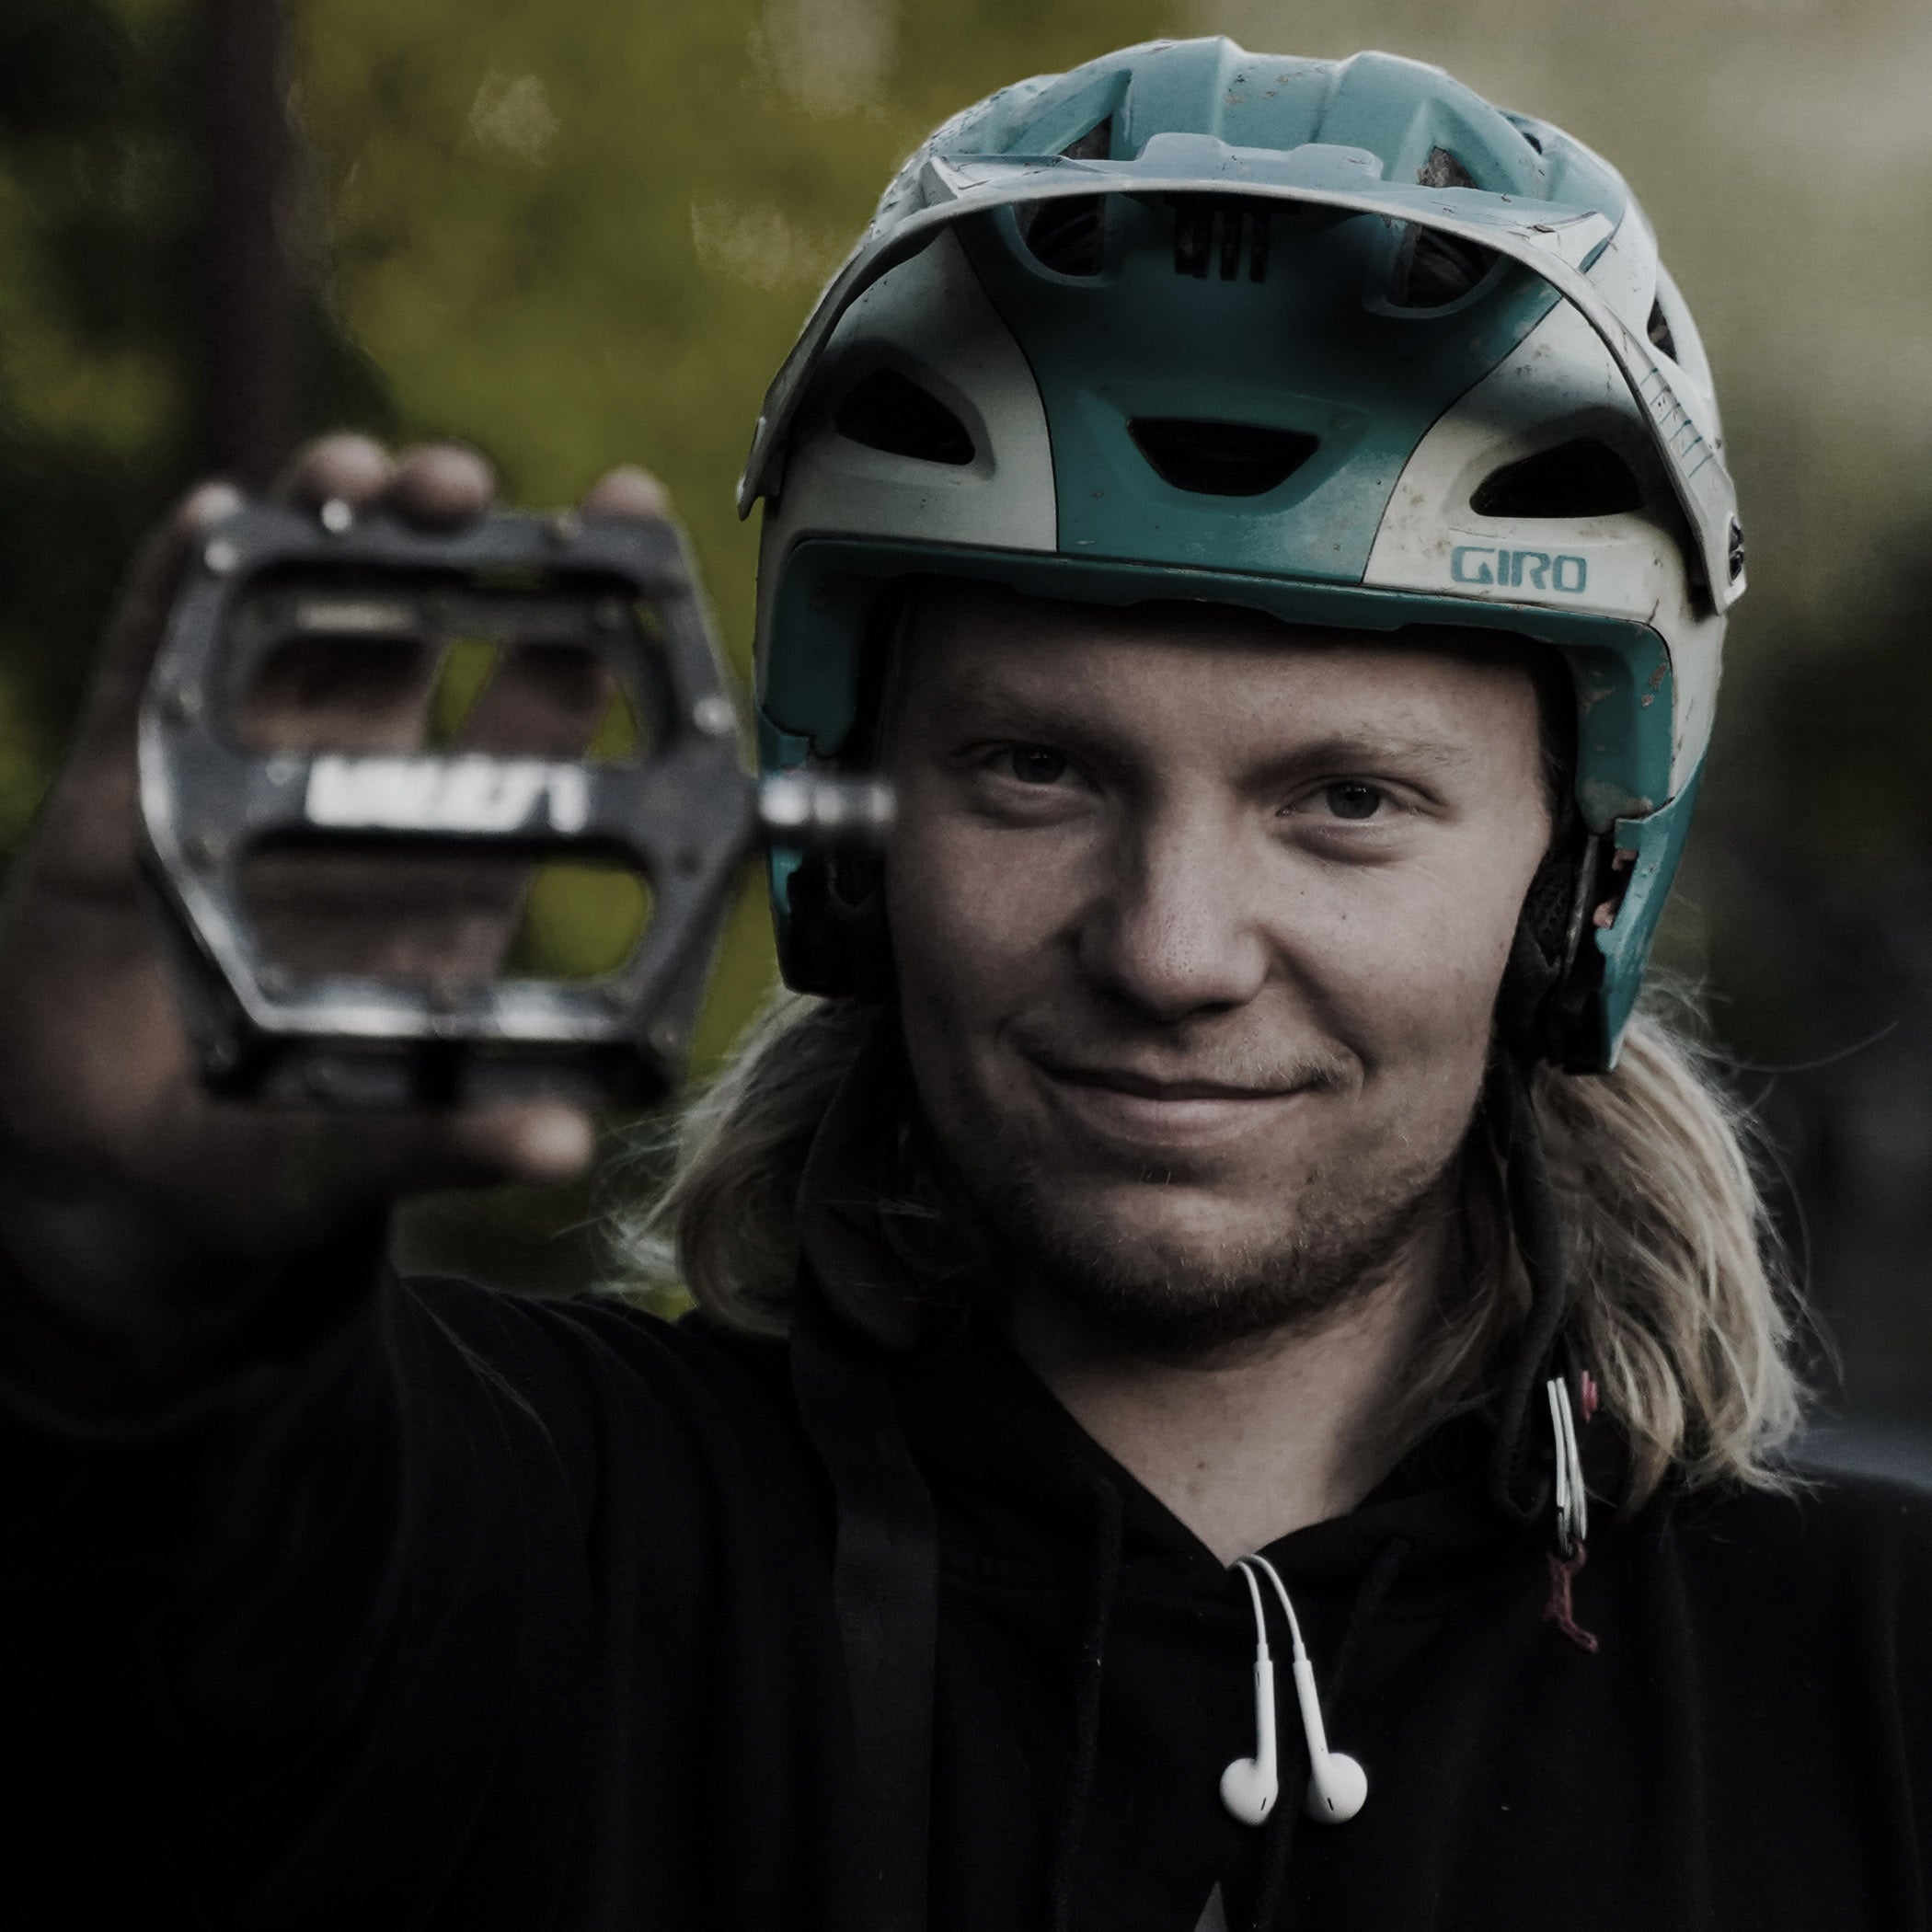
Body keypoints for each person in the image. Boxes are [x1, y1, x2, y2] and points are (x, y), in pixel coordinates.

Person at [2, 36, 1927, 1931]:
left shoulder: (1879, 1691)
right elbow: (153, 1613)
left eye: (1347, 801)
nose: (1171, 949)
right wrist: (112, 1268)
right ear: (852, 825)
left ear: (1577, 870)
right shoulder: (511, 1547)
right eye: (1036, 769)